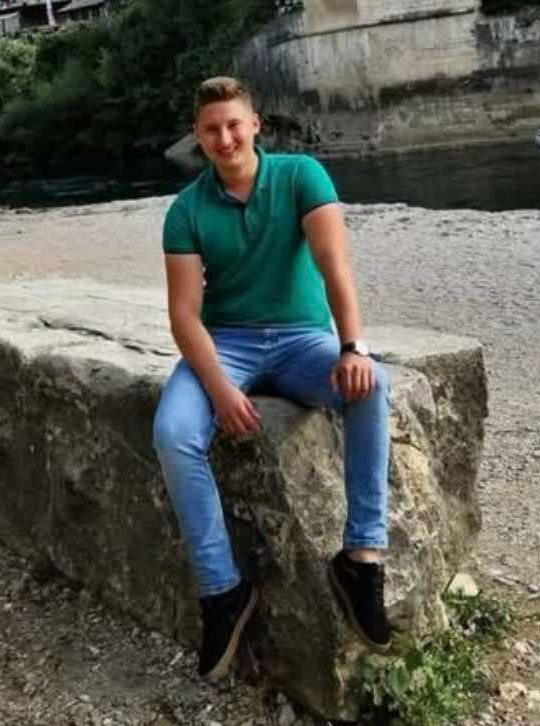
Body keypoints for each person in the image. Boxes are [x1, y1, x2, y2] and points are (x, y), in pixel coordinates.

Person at [152, 76, 393, 681]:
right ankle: (222, 591)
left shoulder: (301, 176)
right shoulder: (186, 210)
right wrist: (221, 389)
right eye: (212, 130)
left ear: (255, 124)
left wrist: (353, 347)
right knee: (173, 432)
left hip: (301, 339)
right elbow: (184, 316)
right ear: (198, 136)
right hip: (226, 343)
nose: (225, 138)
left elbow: (334, 266)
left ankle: (361, 558)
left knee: (372, 387)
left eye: (234, 125)